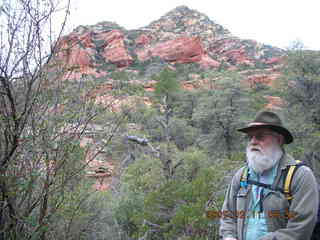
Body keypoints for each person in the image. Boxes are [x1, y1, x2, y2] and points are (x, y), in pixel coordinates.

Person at [219, 111, 319, 240]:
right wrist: (228, 237)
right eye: (250, 137)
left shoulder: (300, 176)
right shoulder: (242, 175)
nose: (253, 142)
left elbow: (300, 229)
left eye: (260, 136)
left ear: (279, 139)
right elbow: (228, 215)